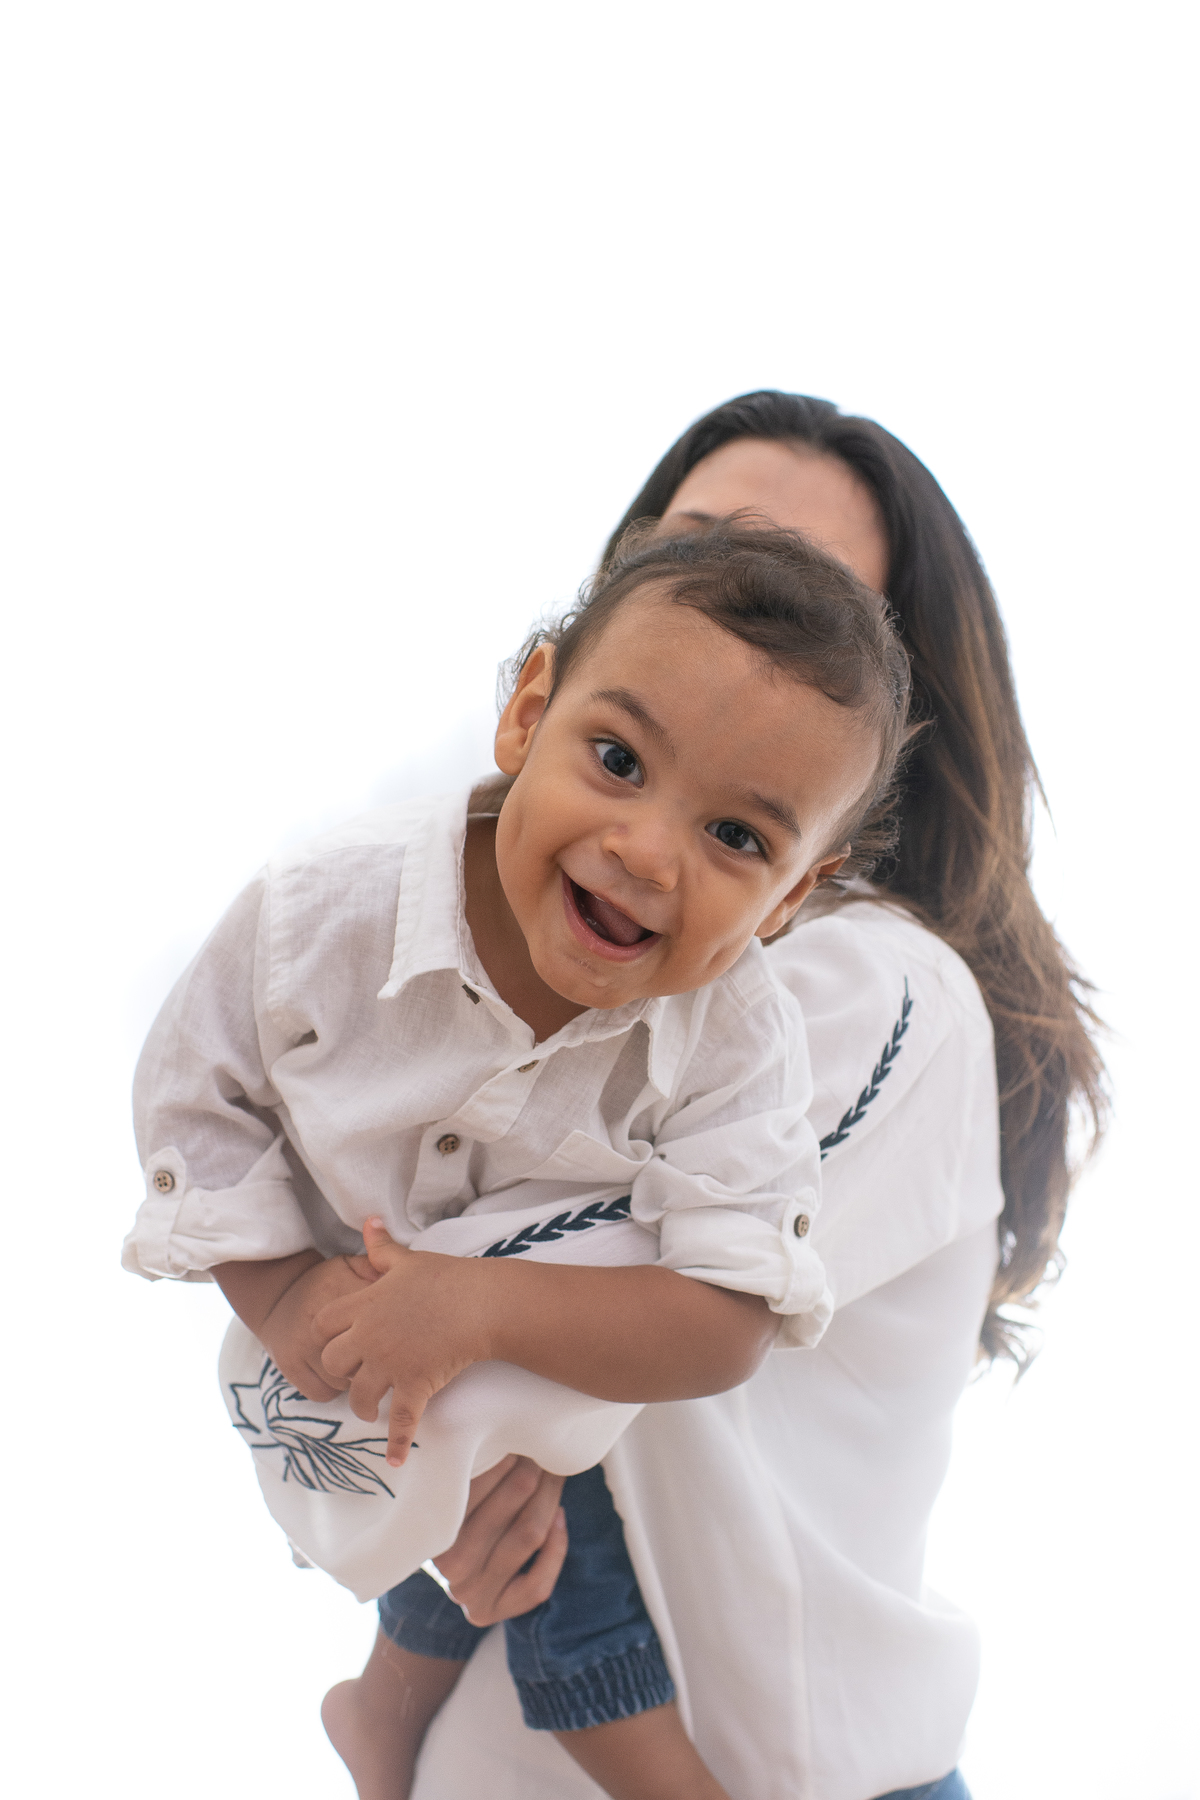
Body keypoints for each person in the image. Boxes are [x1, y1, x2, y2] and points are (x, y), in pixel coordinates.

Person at [366, 393, 1107, 1800]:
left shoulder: (872, 985)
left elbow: (492, 1281)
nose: (732, 615)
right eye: (693, 549)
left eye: (807, 597)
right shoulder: (557, 949)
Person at [123, 523, 912, 1800]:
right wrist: (281, 1297)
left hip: (542, 1317)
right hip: (339, 1290)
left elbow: (729, 1317)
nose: (649, 853)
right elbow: (195, 1100)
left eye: (736, 838)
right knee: (498, 1489)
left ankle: (424, 1716)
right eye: (616, 760)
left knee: (550, 1470)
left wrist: (480, 1309)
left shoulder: (744, 1032)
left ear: (790, 901)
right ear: (527, 715)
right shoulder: (326, 909)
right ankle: (408, 1711)